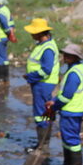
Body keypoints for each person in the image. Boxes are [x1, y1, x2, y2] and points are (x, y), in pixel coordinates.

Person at [45, 44, 83, 165]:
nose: (65, 57)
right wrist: (54, 100)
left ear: (76, 57)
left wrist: (54, 106)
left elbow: (66, 96)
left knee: (71, 138)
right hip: (74, 108)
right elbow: (64, 92)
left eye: (69, 55)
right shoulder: (78, 68)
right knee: (66, 136)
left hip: (73, 109)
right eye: (65, 54)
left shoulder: (74, 73)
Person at [23, 19, 60, 147]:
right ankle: (44, 143)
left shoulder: (47, 49)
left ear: (39, 33)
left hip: (43, 84)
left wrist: (30, 76)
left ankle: (42, 145)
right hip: (42, 83)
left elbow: (46, 70)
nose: (31, 35)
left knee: (40, 113)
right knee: (46, 110)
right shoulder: (44, 44)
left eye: (33, 32)